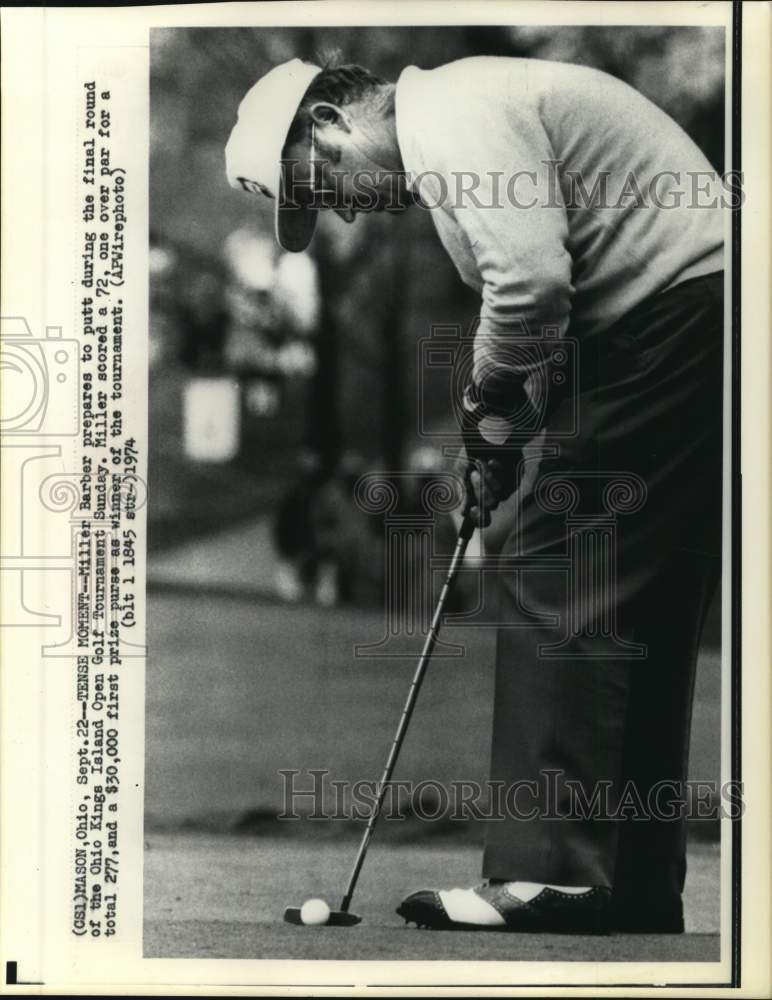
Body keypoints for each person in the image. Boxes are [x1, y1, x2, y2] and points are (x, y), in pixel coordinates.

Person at [225, 56, 724, 934]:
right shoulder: (453, 147)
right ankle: (633, 881)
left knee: (557, 560)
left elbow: (532, 288)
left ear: (330, 121)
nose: (343, 208)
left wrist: (484, 406)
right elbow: (544, 322)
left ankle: (549, 873)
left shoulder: (451, 115)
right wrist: (500, 439)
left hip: (678, 310)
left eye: (321, 185)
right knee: (637, 601)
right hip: (693, 312)